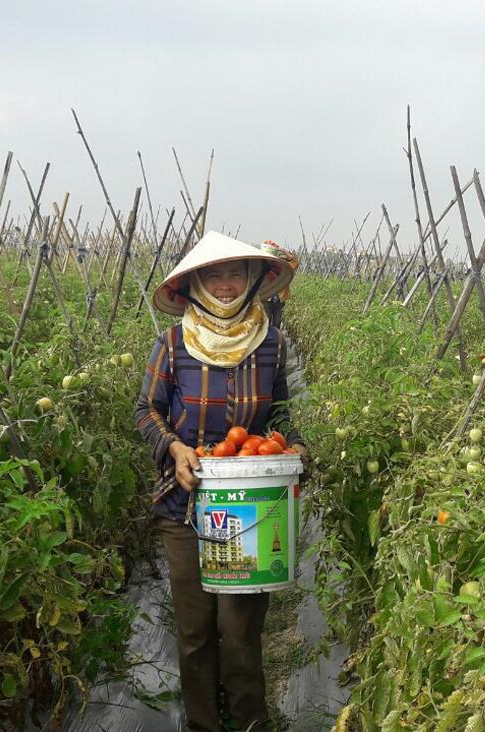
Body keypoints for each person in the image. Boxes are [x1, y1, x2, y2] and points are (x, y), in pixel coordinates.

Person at [134, 230, 309, 732]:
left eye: (236, 273)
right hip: (185, 504)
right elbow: (146, 410)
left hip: (248, 504)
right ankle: (203, 723)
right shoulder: (174, 344)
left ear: (253, 280)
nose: (226, 285)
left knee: (239, 629)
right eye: (214, 276)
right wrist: (175, 448)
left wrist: (295, 446)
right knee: (195, 631)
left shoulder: (270, 343)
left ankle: (250, 720)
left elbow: (280, 413)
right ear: (196, 285)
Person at [257, 240, 299, 328]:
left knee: (277, 322)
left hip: (280, 298)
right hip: (267, 298)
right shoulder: (262, 266)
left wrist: (286, 254)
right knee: (266, 322)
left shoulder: (284, 267)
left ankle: (275, 335)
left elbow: (295, 264)